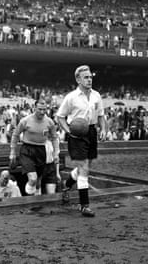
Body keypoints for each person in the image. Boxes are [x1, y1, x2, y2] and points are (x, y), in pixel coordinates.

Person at [56, 65, 106, 217]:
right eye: (86, 77)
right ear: (78, 79)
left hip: (91, 131)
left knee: (86, 166)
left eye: (90, 77)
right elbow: (60, 117)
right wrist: (69, 131)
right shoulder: (71, 97)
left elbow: (101, 115)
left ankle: (67, 185)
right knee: (84, 169)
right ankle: (84, 205)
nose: (89, 79)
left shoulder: (97, 95)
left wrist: (103, 129)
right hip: (77, 134)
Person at [9, 99, 60, 196]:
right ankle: (28, 194)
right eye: (40, 109)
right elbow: (15, 135)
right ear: (34, 108)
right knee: (33, 178)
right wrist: (12, 152)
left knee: (38, 181)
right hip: (27, 150)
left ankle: (33, 201)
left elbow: (54, 138)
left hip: (41, 150)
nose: (42, 112)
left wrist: (56, 153)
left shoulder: (49, 122)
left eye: (44, 110)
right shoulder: (25, 121)